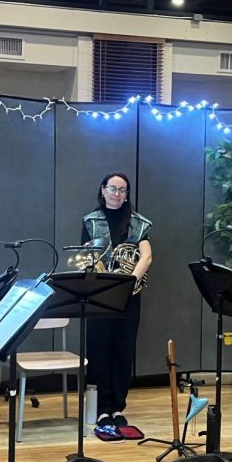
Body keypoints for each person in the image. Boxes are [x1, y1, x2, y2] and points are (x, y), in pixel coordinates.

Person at [81, 172, 152, 437]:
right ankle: (101, 408)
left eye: (123, 190)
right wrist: (107, 283)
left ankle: (118, 407)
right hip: (100, 295)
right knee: (99, 350)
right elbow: (88, 254)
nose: (117, 194)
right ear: (102, 190)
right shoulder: (91, 221)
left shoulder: (138, 223)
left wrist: (128, 282)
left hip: (129, 295)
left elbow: (147, 256)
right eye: (113, 188)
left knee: (123, 350)